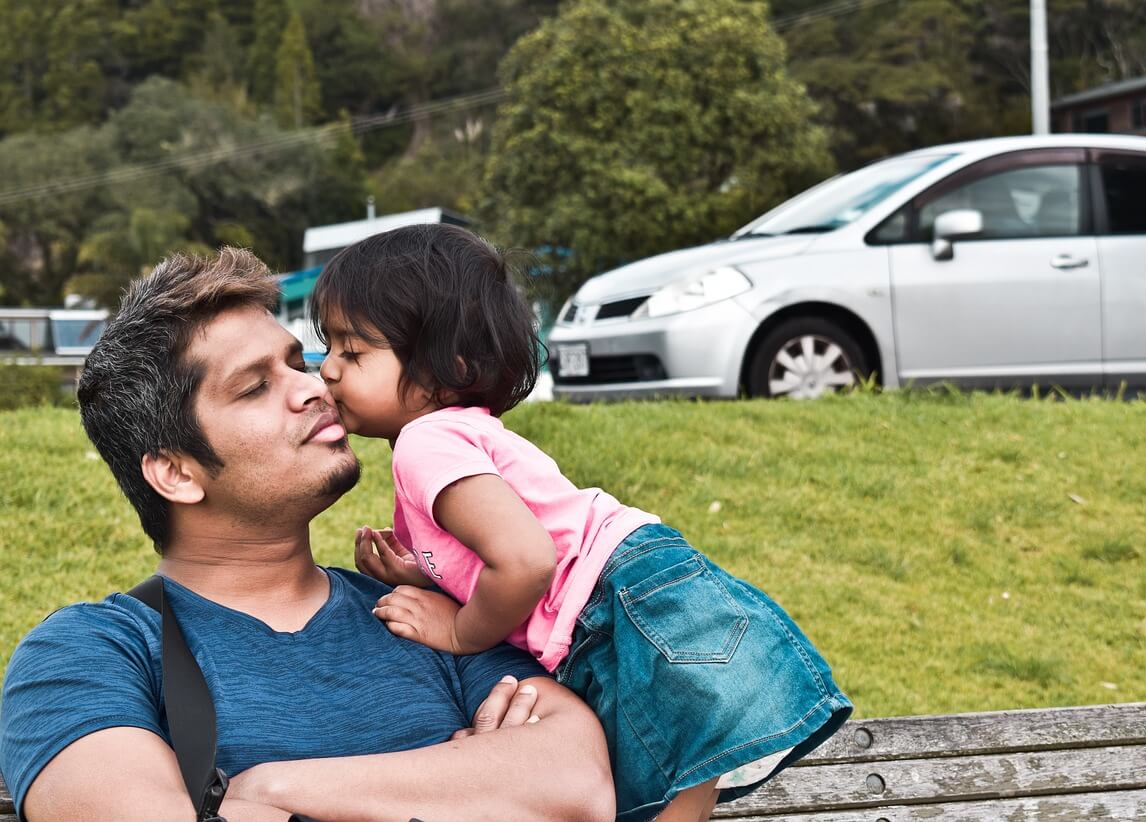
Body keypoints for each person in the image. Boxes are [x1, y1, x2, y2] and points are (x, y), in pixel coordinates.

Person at [0, 249, 613, 822]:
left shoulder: (428, 613)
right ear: (177, 472)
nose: (317, 386)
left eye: (298, 361)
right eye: (255, 386)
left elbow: (575, 782)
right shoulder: (88, 654)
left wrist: (267, 790)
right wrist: (470, 778)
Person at [311, 224, 853, 822]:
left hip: (613, 599)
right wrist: (422, 576)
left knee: (664, 777)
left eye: (353, 352)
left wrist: (464, 631)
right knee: (680, 773)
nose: (328, 370)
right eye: (328, 347)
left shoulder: (425, 443)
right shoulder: (452, 436)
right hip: (632, 585)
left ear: (449, 368)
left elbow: (526, 560)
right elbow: (498, 558)